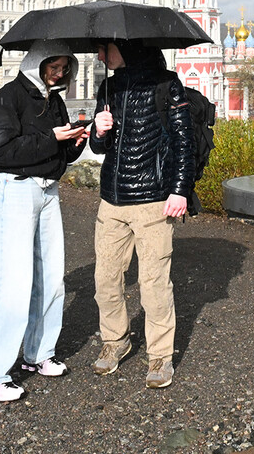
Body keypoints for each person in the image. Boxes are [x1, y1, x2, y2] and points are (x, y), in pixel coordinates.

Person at [0, 40, 88, 403]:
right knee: (12, 282)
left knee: (51, 277)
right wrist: (52, 137)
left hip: (48, 190)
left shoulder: (54, 101)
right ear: (36, 64)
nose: (59, 73)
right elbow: (2, 151)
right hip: (16, 188)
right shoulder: (6, 98)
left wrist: (76, 140)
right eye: (53, 66)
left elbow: (59, 152)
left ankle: (38, 354)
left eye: (65, 68)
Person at [88, 39, 194, 390]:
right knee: (105, 280)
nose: (100, 56)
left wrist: (179, 190)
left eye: (105, 48)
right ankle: (115, 341)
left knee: (153, 285)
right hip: (112, 201)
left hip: (153, 201)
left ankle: (160, 356)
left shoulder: (167, 85)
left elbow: (184, 141)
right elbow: (99, 147)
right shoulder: (108, 87)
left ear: (126, 47)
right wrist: (98, 131)